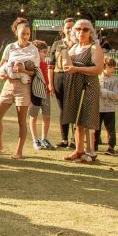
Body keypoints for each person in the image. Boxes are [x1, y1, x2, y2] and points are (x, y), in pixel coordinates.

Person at [0, 18, 39, 159]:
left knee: (21, 121)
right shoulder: (10, 47)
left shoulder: (34, 49)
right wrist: (4, 74)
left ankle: (18, 151)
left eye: (28, 34)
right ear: (17, 33)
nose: (25, 36)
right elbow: (1, 65)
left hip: (24, 86)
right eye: (23, 33)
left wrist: (23, 70)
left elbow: (35, 72)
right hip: (9, 84)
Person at [61, 19, 104, 164]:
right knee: (77, 119)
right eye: (78, 29)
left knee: (88, 120)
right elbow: (65, 66)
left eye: (85, 29)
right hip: (75, 87)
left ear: (91, 32)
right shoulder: (73, 48)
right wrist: (64, 52)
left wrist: (77, 68)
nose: (81, 32)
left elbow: (98, 69)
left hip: (89, 87)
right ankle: (79, 150)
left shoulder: (94, 48)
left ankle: (90, 153)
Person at [50, 18, 77, 148]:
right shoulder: (57, 44)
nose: (70, 29)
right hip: (59, 77)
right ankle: (64, 139)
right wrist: (50, 83)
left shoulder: (79, 44)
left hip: (74, 77)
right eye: (67, 27)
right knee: (63, 108)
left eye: (72, 27)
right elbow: (51, 65)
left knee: (74, 108)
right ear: (63, 29)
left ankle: (75, 139)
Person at [28, 40, 55, 151]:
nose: (45, 54)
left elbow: (47, 78)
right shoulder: (32, 64)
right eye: (43, 52)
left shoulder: (44, 64)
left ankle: (44, 138)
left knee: (46, 116)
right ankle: (35, 139)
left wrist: (49, 86)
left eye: (46, 52)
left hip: (45, 94)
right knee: (33, 117)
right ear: (36, 52)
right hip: (35, 94)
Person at [98, 56, 118, 154]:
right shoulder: (97, 79)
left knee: (110, 129)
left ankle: (111, 147)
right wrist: (108, 93)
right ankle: (94, 145)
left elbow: (116, 94)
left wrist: (105, 93)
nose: (112, 69)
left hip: (110, 109)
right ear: (103, 67)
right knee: (96, 127)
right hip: (98, 108)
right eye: (110, 67)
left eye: (113, 67)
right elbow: (97, 91)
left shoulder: (114, 80)